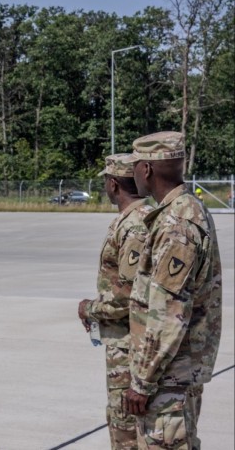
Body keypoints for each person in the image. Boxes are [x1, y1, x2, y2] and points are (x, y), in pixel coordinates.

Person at [122, 131, 222, 449]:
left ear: (147, 169)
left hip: (168, 379)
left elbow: (169, 313)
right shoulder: (182, 211)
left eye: (135, 165)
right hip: (174, 374)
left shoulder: (177, 224)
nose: (133, 172)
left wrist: (142, 381)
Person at [78, 154, 153, 450]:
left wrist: (89, 309)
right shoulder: (139, 217)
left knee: (126, 430)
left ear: (113, 184)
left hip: (128, 345)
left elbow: (128, 295)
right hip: (128, 341)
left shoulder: (134, 224)